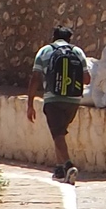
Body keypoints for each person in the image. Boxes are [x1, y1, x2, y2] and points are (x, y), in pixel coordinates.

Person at [28, 22, 90, 180]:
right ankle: (59, 170)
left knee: (57, 133)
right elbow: (87, 79)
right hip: (73, 101)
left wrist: (30, 104)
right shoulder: (77, 52)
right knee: (59, 133)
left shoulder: (45, 51)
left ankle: (68, 165)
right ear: (69, 39)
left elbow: (35, 78)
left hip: (53, 99)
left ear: (53, 37)